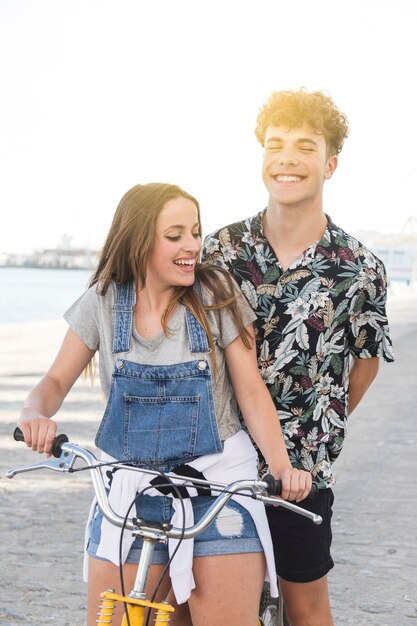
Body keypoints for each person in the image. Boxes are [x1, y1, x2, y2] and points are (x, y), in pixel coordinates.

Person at [17, 182, 312, 626]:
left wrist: (280, 466)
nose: (193, 245)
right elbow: (56, 380)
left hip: (216, 491)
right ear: (138, 242)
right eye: (175, 236)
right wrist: (34, 414)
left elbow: (251, 390)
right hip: (129, 492)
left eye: (195, 232)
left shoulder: (213, 293)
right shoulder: (103, 301)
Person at [202, 88, 394, 626]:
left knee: (307, 610)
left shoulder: (361, 267)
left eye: (304, 147)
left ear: (330, 163)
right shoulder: (220, 250)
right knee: (195, 610)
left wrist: (313, 428)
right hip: (217, 461)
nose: (286, 158)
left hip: (302, 472)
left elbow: (365, 364)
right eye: (275, 144)